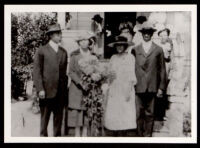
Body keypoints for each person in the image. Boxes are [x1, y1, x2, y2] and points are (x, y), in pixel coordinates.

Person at [131, 21, 167, 137]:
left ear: (152, 34)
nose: (146, 35)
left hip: (152, 86)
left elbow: (162, 69)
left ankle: (147, 136)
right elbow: (131, 68)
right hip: (138, 86)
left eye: (149, 32)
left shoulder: (158, 49)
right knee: (138, 113)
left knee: (150, 113)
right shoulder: (135, 50)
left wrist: (161, 87)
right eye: (145, 32)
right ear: (141, 34)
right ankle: (139, 136)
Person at [33, 23, 68, 137]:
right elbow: (37, 72)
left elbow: (63, 73)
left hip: (60, 93)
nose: (60, 36)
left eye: (60, 33)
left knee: (58, 121)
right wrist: (40, 89)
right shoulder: (42, 50)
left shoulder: (63, 52)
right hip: (46, 92)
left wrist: (64, 90)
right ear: (51, 35)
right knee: (44, 121)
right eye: (58, 34)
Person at [104, 36, 137, 136]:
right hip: (115, 87)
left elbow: (131, 74)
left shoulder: (130, 57)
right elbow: (109, 72)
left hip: (125, 87)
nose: (119, 47)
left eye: (121, 45)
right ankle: (115, 134)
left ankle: (123, 135)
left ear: (125, 46)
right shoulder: (113, 57)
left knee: (125, 112)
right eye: (117, 45)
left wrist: (128, 89)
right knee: (115, 112)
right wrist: (109, 75)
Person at [68, 31, 95, 137]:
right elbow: (71, 72)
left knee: (87, 111)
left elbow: (96, 69)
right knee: (77, 111)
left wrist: (93, 78)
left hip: (89, 88)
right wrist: (80, 82)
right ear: (78, 43)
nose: (84, 43)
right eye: (81, 41)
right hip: (77, 87)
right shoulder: (74, 55)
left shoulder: (93, 55)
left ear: (89, 42)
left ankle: (85, 135)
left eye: (86, 40)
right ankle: (77, 135)